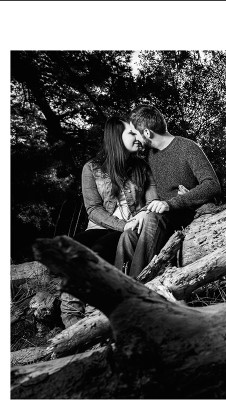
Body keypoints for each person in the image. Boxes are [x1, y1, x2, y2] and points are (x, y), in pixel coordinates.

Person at [61, 116, 157, 326]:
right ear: (116, 137)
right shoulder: (92, 168)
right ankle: (71, 316)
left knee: (98, 250)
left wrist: (140, 215)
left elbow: (153, 201)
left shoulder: (142, 167)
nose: (138, 137)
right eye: (132, 133)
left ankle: (92, 313)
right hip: (102, 225)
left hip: (129, 230)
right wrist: (123, 224)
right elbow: (93, 209)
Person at [126, 105, 221, 275]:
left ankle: (135, 289)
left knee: (153, 219)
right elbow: (159, 197)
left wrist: (172, 203)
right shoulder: (151, 156)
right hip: (166, 215)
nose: (135, 139)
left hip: (188, 213)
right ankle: (115, 290)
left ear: (147, 133)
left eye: (135, 133)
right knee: (131, 233)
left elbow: (212, 185)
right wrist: (142, 212)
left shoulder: (188, 147)